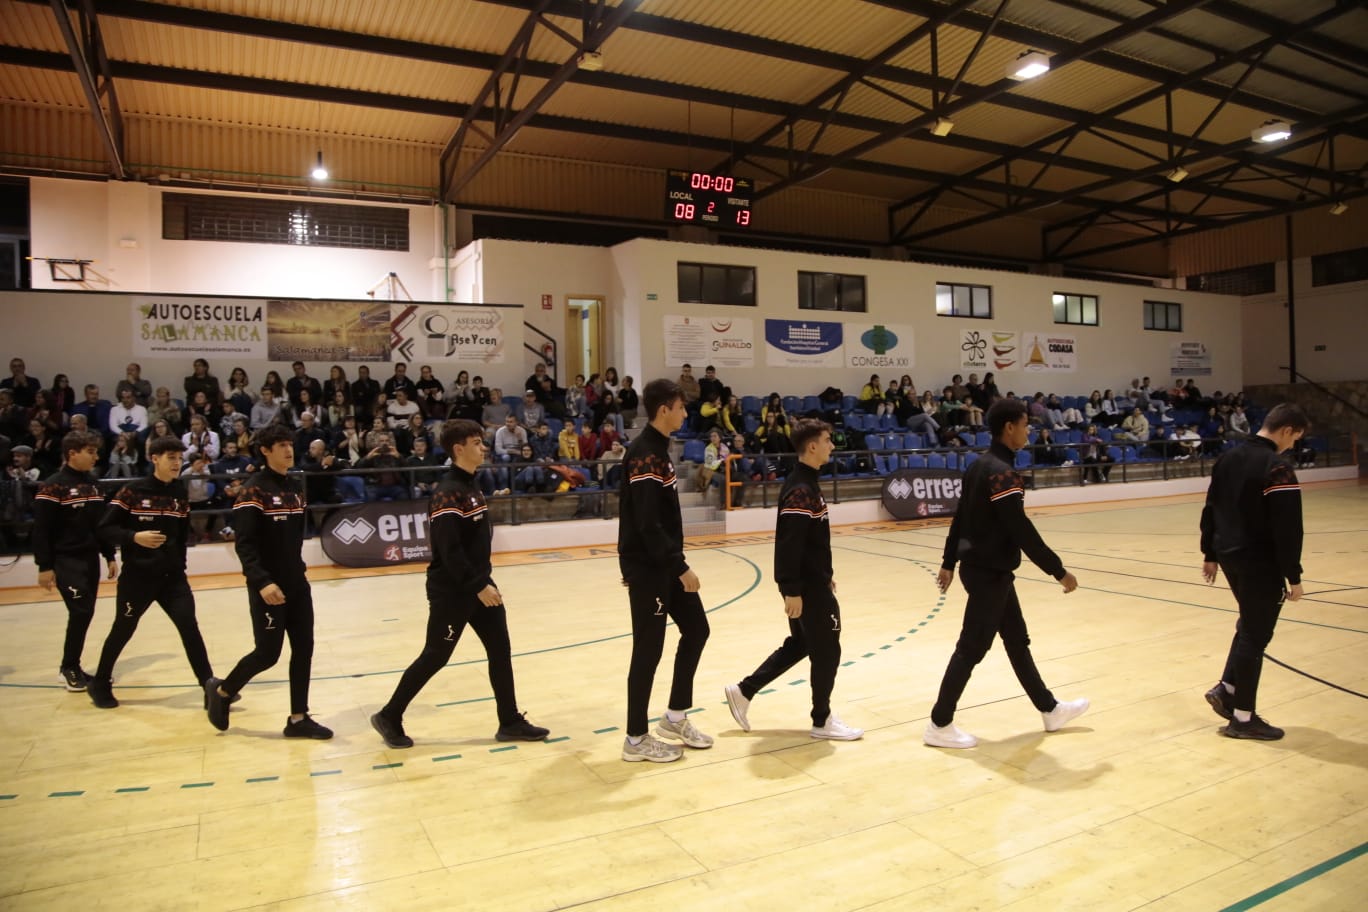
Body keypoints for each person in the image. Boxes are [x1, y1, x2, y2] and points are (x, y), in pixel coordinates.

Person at [370, 419, 550, 749]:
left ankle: (509, 721)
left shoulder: (470, 485)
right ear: (458, 449)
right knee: (436, 655)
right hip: (454, 590)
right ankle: (389, 715)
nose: (483, 447)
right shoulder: (447, 493)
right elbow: (449, 551)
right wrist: (478, 585)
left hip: (480, 584)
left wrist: (483, 582)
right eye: (476, 442)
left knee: (500, 650)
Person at [925, 399, 1089, 749]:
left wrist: (949, 562)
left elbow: (959, 520)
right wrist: (1057, 570)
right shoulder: (1001, 472)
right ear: (1009, 428)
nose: (1028, 430)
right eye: (1025, 424)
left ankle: (1050, 709)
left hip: (986, 571)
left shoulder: (978, 467)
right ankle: (939, 724)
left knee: (1017, 641)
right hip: (989, 574)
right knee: (971, 648)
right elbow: (1020, 529)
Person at [725, 419, 863, 741]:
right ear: (812, 446)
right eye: (828, 440)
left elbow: (811, 543)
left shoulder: (806, 483)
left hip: (813, 583)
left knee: (803, 644)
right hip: (806, 588)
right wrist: (792, 589)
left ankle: (744, 691)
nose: (832, 445)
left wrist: (825, 577)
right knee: (828, 649)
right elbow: (790, 543)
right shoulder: (801, 489)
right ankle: (822, 720)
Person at [204, 424, 331, 739]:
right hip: (268, 586)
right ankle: (221, 692)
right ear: (265, 450)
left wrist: (298, 570)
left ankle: (298, 718)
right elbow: (244, 544)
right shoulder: (253, 490)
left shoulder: (294, 486)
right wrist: (262, 582)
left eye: (290, 443)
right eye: (281, 445)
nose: (289, 450)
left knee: (304, 649)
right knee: (267, 653)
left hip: (297, 583)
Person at [1199, 403, 1309, 741]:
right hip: (1259, 561)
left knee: (1249, 624)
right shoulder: (1277, 468)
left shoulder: (1227, 458)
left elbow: (1210, 506)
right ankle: (1243, 718)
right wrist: (1294, 574)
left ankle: (1227, 689)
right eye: (1295, 439)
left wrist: (1210, 552)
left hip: (1230, 556)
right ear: (1287, 430)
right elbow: (1288, 527)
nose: (1293, 446)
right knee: (1255, 636)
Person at [617, 379, 712, 762]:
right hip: (649, 568)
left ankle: (674, 716)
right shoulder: (644, 454)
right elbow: (646, 522)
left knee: (697, 629)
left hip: (665, 562)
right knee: (648, 650)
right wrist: (680, 566)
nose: (685, 414)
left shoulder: (659, 449)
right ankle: (635, 740)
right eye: (681, 407)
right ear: (663, 411)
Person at [86, 435, 215, 709]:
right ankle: (100, 682)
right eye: (171, 458)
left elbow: (181, 537)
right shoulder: (133, 491)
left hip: (172, 579)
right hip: (138, 578)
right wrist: (134, 537)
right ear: (154, 458)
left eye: (180, 459)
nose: (177, 464)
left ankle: (209, 686)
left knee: (189, 628)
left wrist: (179, 566)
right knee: (123, 628)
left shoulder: (180, 493)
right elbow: (104, 529)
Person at [32, 430, 118, 692]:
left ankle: (74, 666)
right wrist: (44, 566)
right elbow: (41, 529)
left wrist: (109, 555)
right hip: (65, 560)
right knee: (80, 610)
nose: (96, 456)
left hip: (90, 558)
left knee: (86, 612)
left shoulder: (93, 485)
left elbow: (101, 525)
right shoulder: (53, 486)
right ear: (72, 453)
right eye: (90, 452)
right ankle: (68, 668)